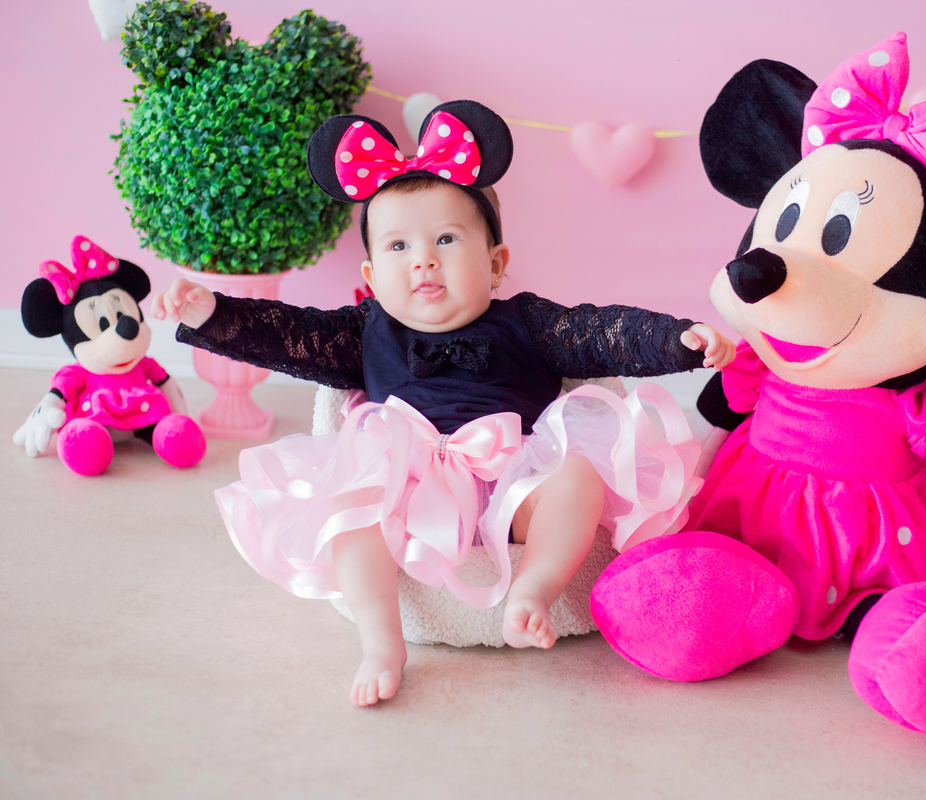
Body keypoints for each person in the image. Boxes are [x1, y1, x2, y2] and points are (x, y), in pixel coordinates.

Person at [153, 101, 735, 707]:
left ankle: (533, 588)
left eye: (447, 239)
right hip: (407, 480)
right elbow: (285, 332)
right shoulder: (363, 331)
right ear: (373, 277)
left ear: (496, 264)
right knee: (350, 504)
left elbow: (601, 331)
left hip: (516, 474)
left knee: (579, 478)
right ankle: (382, 640)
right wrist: (212, 314)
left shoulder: (529, 321)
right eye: (399, 246)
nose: (423, 259)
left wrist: (679, 340)